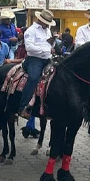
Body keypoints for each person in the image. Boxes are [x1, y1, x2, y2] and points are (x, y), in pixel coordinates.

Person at [20, 9, 56, 137]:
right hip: (34, 59)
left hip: (47, 59)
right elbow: (29, 48)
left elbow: (49, 45)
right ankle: (23, 106)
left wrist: (52, 47)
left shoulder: (47, 31)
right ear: (40, 20)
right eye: (46, 22)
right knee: (34, 77)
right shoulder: (31, 31)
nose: (47, 24)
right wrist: (46, 49)